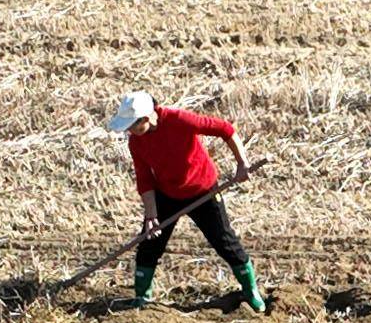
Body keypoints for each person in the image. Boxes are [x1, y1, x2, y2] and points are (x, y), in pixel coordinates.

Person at [108, 91, 262, 311]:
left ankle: (250, 290)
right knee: (149, 244)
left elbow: (225, 129)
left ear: (147, 117)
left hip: (203, 191)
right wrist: (151, 215)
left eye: (133, 125)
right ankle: (142, 297)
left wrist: (242, 163)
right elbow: (145, 178)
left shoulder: (179, 120)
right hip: (167, 195)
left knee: (225, 242)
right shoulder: (137, 142)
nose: (130, 131)